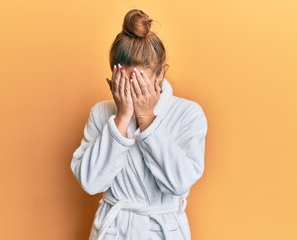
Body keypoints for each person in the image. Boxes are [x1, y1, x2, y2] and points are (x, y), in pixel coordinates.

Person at [70, 9, 208, 240]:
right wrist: (122, 118)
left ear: (161, 75)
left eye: (140, 85)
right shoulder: (101, 113)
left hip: (162, 231)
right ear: (113, 80)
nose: (133, 93)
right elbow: (91, 182)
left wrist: (147, 120)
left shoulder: (188, 114)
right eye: (125, 84)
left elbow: (179, 183)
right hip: (114, 230)